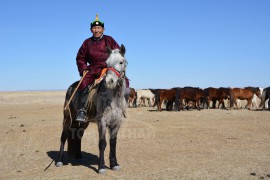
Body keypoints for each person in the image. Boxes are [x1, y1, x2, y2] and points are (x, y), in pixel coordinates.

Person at [75, 14, 127, 122]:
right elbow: (80, 57)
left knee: (125, 82)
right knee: (83, 83)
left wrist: (115, 67)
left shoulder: (109, 40)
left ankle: (122, 107)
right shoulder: (87, 42)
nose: (96, 30)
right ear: (91, 30)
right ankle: (82, 111)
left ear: (103, 29)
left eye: (99, 28)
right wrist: (84, 68)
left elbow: (118, 53)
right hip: (93, 69)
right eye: (94, 28)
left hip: (108, 68)